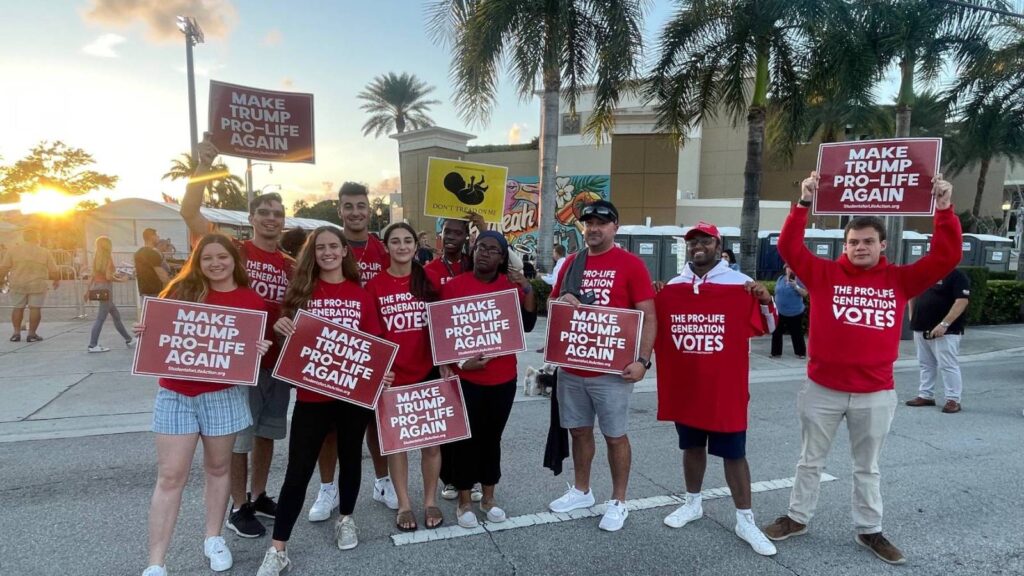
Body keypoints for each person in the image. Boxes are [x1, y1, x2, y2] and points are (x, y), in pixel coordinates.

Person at [762, 172, 961, 565]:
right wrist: (804, 202)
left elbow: (946, 257)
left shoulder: (899, 279)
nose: (860, 247)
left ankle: (869, 529)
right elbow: (788, 247)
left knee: (867, 467)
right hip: (822, 389)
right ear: (845, 245)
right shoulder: (823, 273)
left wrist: (944, 210)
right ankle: (797, 518)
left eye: (868, 241)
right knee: (809, 460)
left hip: (875, 392)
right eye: (853, 242)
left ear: (882, 245)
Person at [256, 227, 395, 576]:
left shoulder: (361, 295)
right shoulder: (301, 294)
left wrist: (381, 373)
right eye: (321, 247)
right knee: (298, 470)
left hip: (352, 396)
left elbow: (373, 344)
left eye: (334, 246)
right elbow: (289, 350)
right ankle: (278, 548)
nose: (328, 252)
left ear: (345, 251)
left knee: (351, 458)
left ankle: (346, 519)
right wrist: (281, 330)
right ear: (313, 253)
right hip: (312, 395)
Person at [139, 234, 272, 576]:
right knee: (171, 476)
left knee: (218, 468)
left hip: (223, 395)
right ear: (197, 261)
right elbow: (159, 333)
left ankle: (213, 538)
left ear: (234, 260)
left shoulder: (251, 300)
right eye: (207, 257)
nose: (215, 263)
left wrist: (256, 351)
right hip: (176, 394)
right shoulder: (181, 291)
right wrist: (146, 332)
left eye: (222, 256)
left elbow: (249, 350)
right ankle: (156, 561)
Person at [182, 135, 294, 539]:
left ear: (284, 220)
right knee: (239, 439)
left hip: (276, 362)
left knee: (266, 433)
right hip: (238, 362)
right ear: (252, 217)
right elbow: (190, 213)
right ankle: (237, 505)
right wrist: (203, 166)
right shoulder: (234, 251)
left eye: (277, 214)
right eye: (264, 212)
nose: (271, 219)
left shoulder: (291, 264)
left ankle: (259, 495)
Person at [654, 221, 778, 556]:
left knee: (734, 454)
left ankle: (745, 519)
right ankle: (692, 503)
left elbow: (769, 326)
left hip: (726, 389)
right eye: (692, 241)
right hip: (687, 386)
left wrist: (765, 298)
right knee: (691, 447)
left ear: (718, 246)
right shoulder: (674, 286)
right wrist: (657, 295)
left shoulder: (739, 285)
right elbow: (648, 323)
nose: (698, 246)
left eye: (705, 241)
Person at [547, 199, 657, 532]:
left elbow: (649, 315)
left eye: (601, 223)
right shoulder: (571, 262)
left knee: (615, 436)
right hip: (573, 367)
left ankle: (618, 500)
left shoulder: (631, 265)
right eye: (589, 223)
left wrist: (643, 361)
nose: (593, 229)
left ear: (615, 227)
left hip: (613, 370)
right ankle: (582, 491)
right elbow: (553, 305)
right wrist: (560, 301)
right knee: (579, 431)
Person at [307, 182, 396, 526]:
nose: (355, 212)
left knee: (375, 423)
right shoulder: (328, 245)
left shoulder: (383, 249)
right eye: (348, 206)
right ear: (339, 210)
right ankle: (327, 489)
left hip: (371, 346)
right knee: (329, 430)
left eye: (361, 205)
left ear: (369, 209)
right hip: (329, 353)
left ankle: (382, 481)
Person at [441, 230, 537, 528]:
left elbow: (528, 324)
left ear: (502, 257)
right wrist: (461, 363)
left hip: (502, 378)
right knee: (465, 440)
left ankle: (489, 498)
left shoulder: (511, 288)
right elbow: (443, 332)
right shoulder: (454, 286)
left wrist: (528, 288)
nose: (484, 252)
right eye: (481, 247)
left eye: (492, 249)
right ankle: (464, 501)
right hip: (466, 378)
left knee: (491, 439)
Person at [366, 223, 444, 531]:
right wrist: (379, 369)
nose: (401, 246)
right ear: (386, 247)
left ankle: (430, 500)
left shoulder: (429, 280)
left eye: (407, 241)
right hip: (392, 377)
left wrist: (446, 361)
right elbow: (371, 334)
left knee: (431, 444)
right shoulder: (374, 286)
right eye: (395, 241)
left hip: (428, 372)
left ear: (415, 245)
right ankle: (404, 504)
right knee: (396, 444)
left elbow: (444, 325)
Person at [423, 214, 486, 502]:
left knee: (474, 422)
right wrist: (441, 360)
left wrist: (484, 229)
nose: (450, 237)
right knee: (447, 421)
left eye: (457, 233)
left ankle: (472, 478)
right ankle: (449, 477)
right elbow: (426, 313)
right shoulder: (429, 270)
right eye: (447, 231)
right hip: (443, 354)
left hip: (474, 349)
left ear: (466, 237)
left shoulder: (474, 264)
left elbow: (506, 266)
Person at [905, 268, 970, 413]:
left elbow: (962, 301)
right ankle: (926, 395)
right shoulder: (923, 273)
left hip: (946, 331)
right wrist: (912, 317)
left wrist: (944, 324)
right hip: (921, 326)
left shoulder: (957, 275)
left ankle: (953, 399)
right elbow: (912, 294)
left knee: (948, 365)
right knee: (925, 363)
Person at [0, 228, 58, 342]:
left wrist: (1, 280)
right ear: (37, 238)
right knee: (35, 308)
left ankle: (16, 333)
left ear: (24, 237)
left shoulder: (13, 250)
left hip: (17, 283)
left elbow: (4, 267)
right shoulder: (44, 252)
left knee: (18, 308)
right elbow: (54, 269)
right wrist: (56, 280)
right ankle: (32, 334)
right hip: (37, 284)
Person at [85, 236, 134, 352]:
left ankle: (128, 339)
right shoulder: (107, 258)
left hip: (98, 286)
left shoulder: (96, 258)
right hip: (106, 288)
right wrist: (121, 280)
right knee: (101, 318)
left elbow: (93, 276)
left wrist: (87, 291)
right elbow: (108, 276)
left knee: (116, 315)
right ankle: (93, 345)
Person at [771, 263, 808, 359]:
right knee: (776, 332)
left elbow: (805, 293)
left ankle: (801, 353)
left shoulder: (799, 279)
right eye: (788, 268)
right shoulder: (780, 278)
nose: (790, 270)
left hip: (794, 312)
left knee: (796, 333)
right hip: (780, 311)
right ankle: (776, 353)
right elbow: (776, 291)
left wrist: (796, 286)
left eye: (792, 268)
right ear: (785, 269)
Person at [134, 228, 170, 314]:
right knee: (158, 317)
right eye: (157, 235)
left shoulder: (138, 253)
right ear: (152, 237)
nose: (158, 237)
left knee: (148, 317)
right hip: (155, 292)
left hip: (144, 291)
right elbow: (163, 277)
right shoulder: (153, 253)